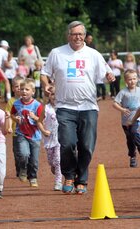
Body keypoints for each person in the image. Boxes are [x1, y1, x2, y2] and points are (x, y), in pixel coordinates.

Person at [41, 21, 115, 195]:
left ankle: (81, 180)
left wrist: (109, 76)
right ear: (68, 35)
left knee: (87, 146)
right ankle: (68, 175)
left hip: (88, 107)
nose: (78, 37)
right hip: (65, 106)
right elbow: (44, 73)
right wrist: (45, 85)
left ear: (85, 36)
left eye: (81, 34)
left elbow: (105, 73)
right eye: (74, 34)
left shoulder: (93, 54)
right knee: (67, 143)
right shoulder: (57, 53)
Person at [10, 78, 43, 187]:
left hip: (35, 136)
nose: (24, 91)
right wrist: (16, 119)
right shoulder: (16, 104)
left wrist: (35, 117)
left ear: (33, 92)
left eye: (27, 89)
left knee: (34, 160)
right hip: (21, 134)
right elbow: (12, 114)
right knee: (24, 154)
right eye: (22, 89)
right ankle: (23, 169)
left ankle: (33, 176)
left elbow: (42, 119)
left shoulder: (37, 105)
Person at [113, 70, 140, 168]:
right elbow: (114, 103)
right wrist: (122, 109)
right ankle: (132, 156)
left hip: (137, 119)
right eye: (130, 79)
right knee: (130, 139)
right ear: (125, 81)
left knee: (134, 133)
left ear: (137, 79)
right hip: (125, 121)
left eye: (134, 79)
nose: (132, 81)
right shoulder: (123, 92)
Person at [38, 88, 62, 191]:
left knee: (57, 161)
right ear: (49, 96)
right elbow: (39, 121)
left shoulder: (63, 108)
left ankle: (58, 182)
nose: (54, 96)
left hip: (60, 139)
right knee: (51, 162)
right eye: (52, 94)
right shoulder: (46, 108)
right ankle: (55, 168)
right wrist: (43, 131)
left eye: (57, 94)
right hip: (49, 140)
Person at [5, 76, 25, 177]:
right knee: (17, 152)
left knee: (26, 152)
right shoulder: (11, 101)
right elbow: (8, 115)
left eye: (21, 86)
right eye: (16, 86)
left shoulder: (28, 100)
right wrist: (8, 127)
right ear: (13, 88)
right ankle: (19, 170)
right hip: (15, 131)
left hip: (27, 131)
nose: (19, 88)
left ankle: (26, 168)